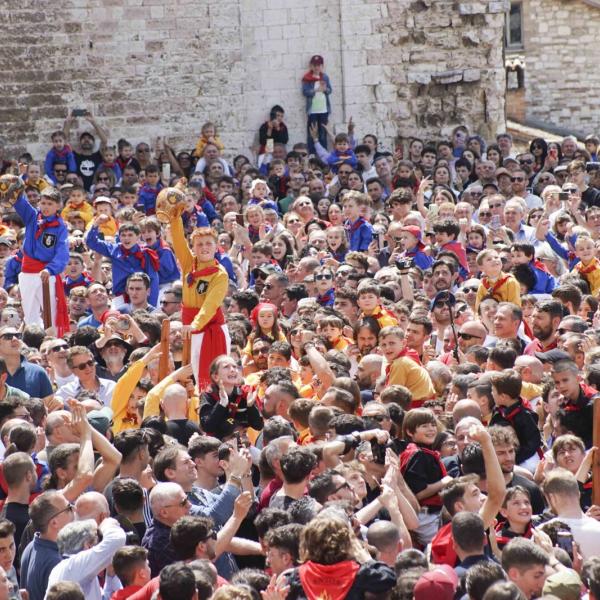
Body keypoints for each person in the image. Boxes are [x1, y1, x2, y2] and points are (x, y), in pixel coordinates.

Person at [1, 179, 70, 335]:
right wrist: (19, 180)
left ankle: (52, 342)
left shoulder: (60, 227)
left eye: (50, 204)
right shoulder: (33, 217)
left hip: (46, 273)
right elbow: (19, 202)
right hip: (27, 271)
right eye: (43, 203)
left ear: (59, 206)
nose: (45, 207)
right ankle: (33, 341)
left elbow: (62, 252)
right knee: (29, 311)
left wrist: (51, 269)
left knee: (50, 314)